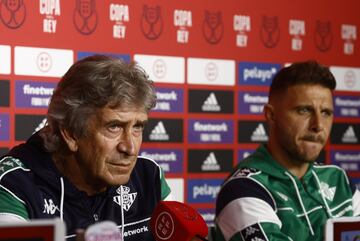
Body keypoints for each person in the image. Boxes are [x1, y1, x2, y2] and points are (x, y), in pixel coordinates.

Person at [0, 55, 172, 240]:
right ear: (71, 133)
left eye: (137, 127)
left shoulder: (148, 176)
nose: (130, 148)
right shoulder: (14, 185)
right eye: (114, 127)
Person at [215, 60, 360, 241]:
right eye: (304, 110)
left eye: (326, 113)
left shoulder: (338, 180)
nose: (318, 125)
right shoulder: (244, 189)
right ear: (271, 115)